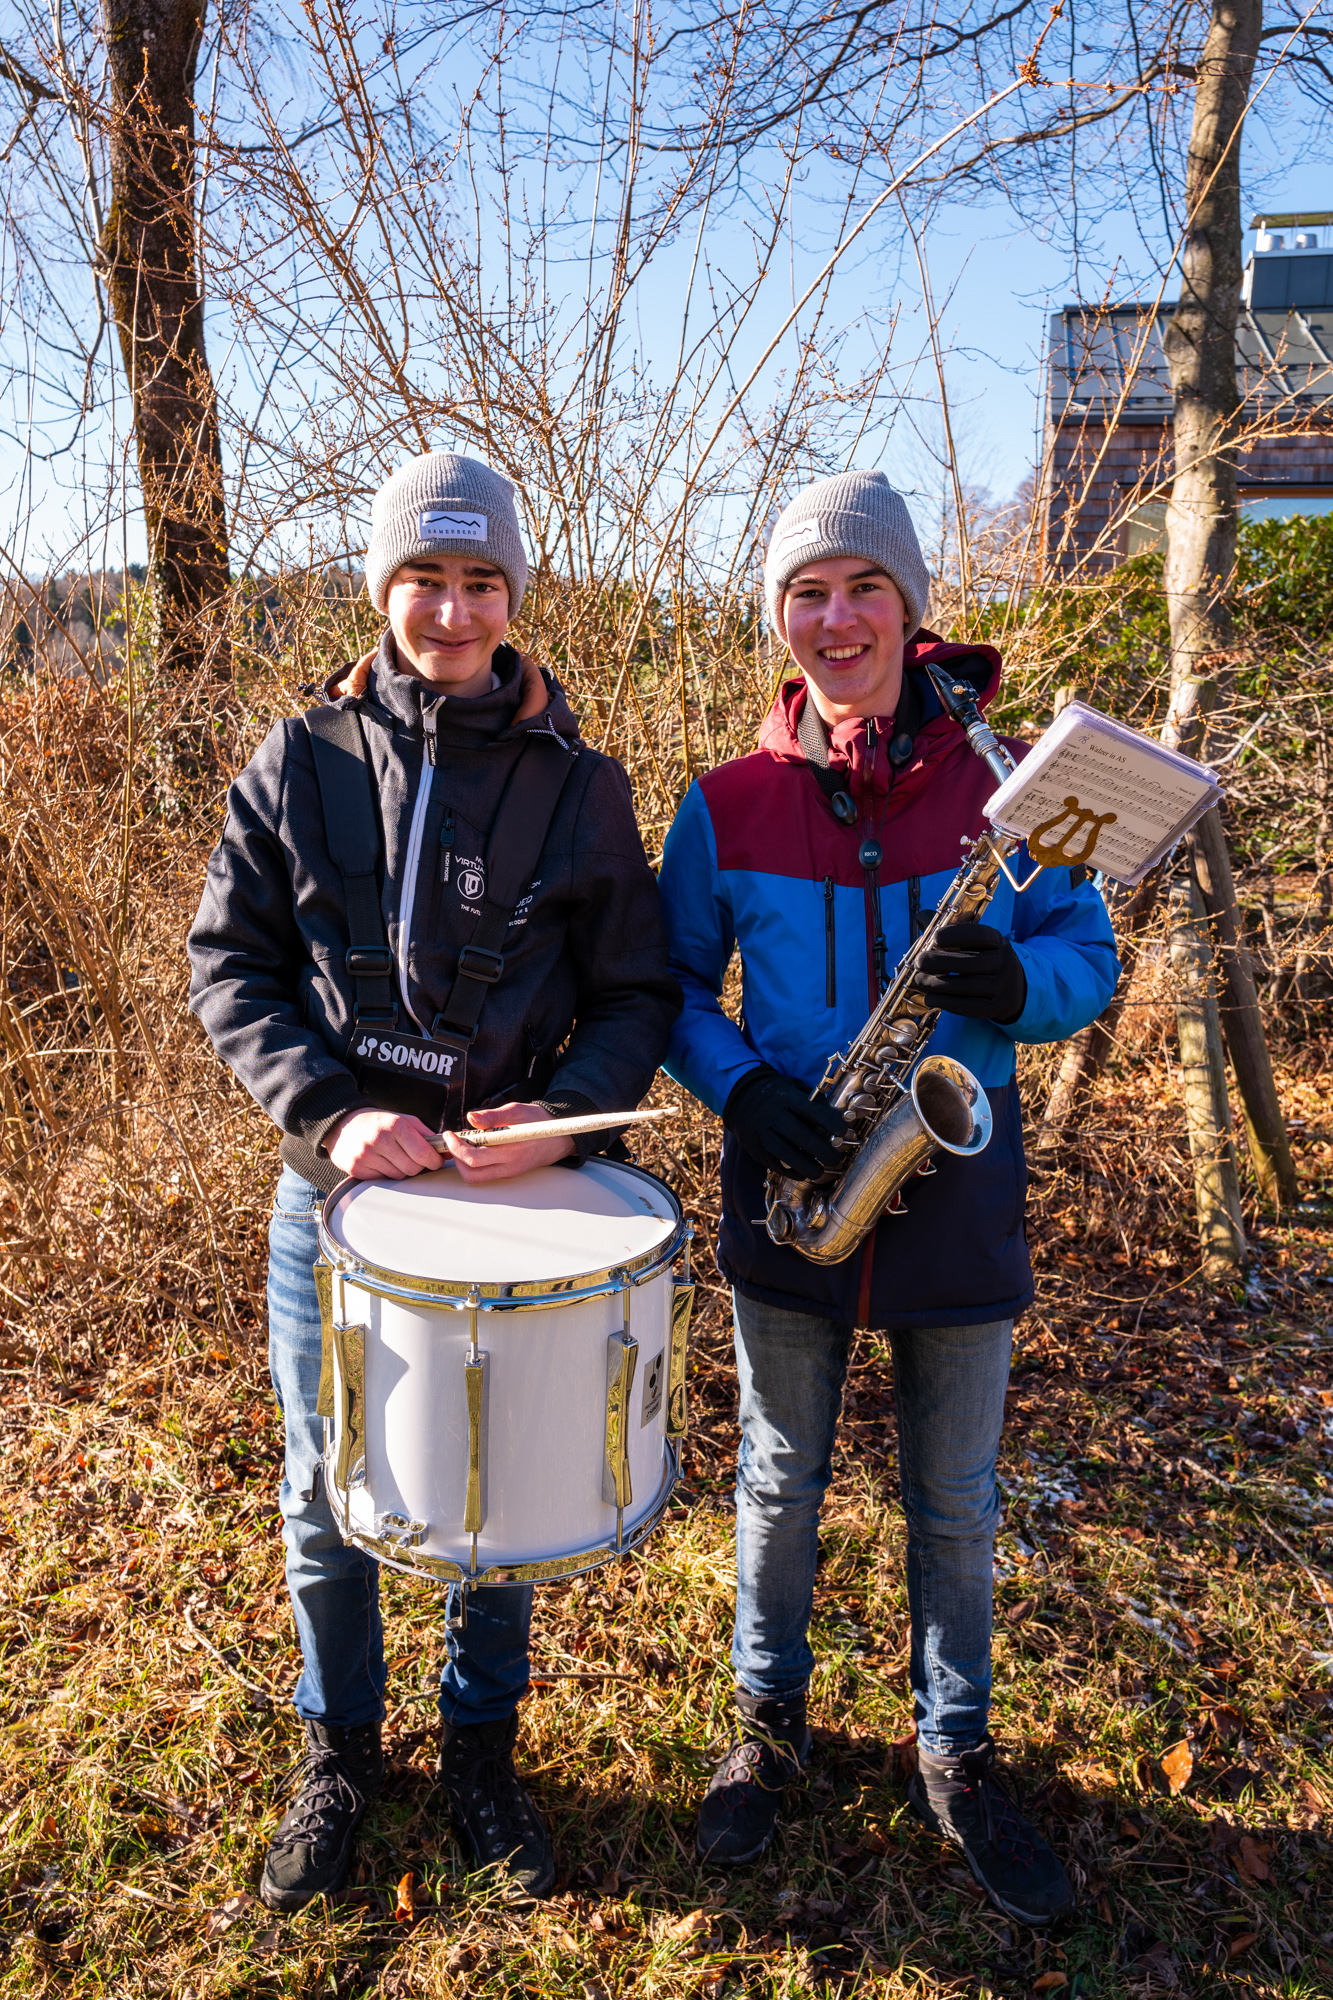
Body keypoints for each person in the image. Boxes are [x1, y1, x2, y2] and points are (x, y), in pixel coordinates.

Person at [188, 451, 680, 1913]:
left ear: (513, 596)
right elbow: (229, 968)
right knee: (321, 1482)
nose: (452, 611)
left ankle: (481, 1753)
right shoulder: (300, 760)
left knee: (495, 1491)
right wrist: (330, 1113)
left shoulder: (581, 786)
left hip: (507, 1204)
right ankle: (338, 1751)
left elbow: (637, 991)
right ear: (382, 588)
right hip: (330, 1205)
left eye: (480, 582)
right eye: (424, 578)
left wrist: (566, 1121)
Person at [656, 469, 1119, 1927]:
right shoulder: (722, 803)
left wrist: (1021, 983)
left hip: (957, 1177)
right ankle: (767, 1721)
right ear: (779, 618)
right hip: (790, 1179)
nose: (837, 615)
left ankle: (954, 1744)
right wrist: (740, 1087)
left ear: (911, 607)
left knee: (956, 1497)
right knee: (777, 1477)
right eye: (807, 591)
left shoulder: (1018, 783)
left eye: (865, 586)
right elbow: (671, 990)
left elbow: (1090, 957)